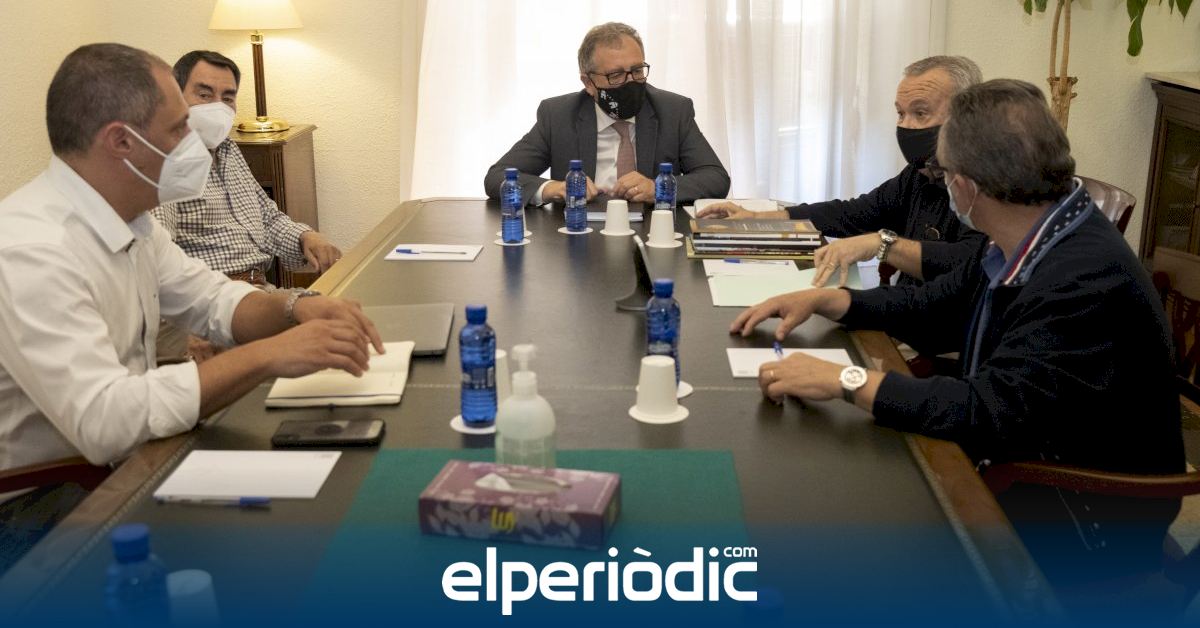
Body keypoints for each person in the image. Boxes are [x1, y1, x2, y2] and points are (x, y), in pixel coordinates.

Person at [731, 79, 1184, 602]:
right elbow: (935, 305)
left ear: (965, 187)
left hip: (1080, 515)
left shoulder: (1082, 277)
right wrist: (833, 301)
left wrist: (847, 379)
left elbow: (985, 410)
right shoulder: (1031, 232)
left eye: (944, 174)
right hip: (1028, 454)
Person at [0, 44, 382, 569]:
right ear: (121, 141)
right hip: (43, 507)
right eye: (179, 127)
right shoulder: (30, 251)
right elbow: (105, 420)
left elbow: (213, 299)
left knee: (333, 514)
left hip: (123, 465)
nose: (195, 140)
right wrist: (269, 354)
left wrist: (295, 307)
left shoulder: (133, 220)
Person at [699, 56, 988, 288]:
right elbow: (854, 213)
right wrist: (760, 218)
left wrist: (883, 245)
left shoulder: (984, 187)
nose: (905, 126)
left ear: (963, 118)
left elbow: (969, 262)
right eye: (900, 113)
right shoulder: (920, 173)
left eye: (920, 113)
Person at [484, 22, 730, 206]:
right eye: (616, 75)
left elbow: (716, 178)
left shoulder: (673, 110)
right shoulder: (558, 116)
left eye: (637, 71)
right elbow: (497, 177)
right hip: (579, 235)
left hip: (654, 233)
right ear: (589, 83)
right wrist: (553, 188)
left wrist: (659, 188)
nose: (630, 81)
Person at [151, 50, 341, 284]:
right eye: (204, 95)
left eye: (227, 98)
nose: (217, 107)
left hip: (257, 285)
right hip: (212, 292)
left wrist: (306, 237)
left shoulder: (227, 148)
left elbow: (266, 218)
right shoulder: (163, 159)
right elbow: (159, 255)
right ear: (174, 96)